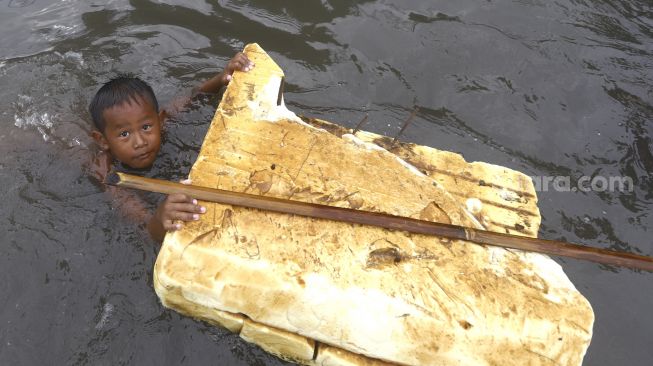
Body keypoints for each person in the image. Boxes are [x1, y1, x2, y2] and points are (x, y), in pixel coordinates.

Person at [88, 52, 254, 242]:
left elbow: (195, 96)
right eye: (124, 134)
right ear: (104, 141)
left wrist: (224, 76)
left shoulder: (163, 126)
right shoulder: (105, 172)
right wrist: (159, 217)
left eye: (146, 127)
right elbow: (143, 225)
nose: (140, 141)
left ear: (159, 121)